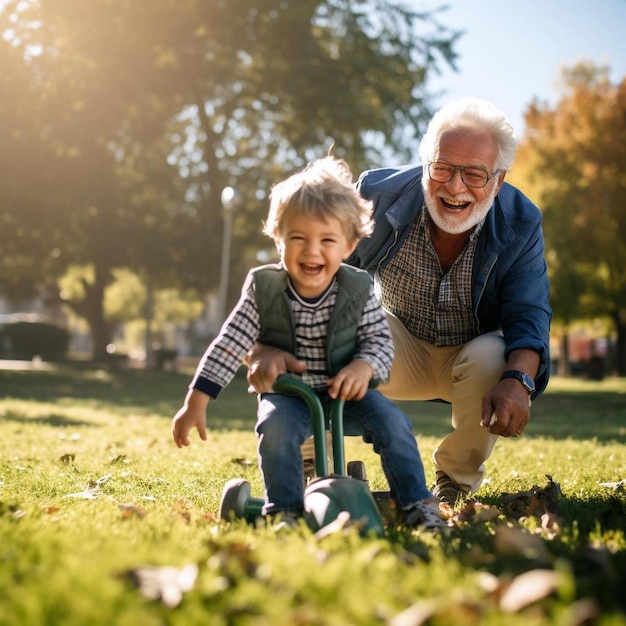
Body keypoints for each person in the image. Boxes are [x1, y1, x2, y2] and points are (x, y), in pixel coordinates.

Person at [246, 98, 552, 506]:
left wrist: (519, 381)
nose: (455, 187)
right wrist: (267, 345)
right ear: (426, 165)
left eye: (474, 175)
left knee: (496, 356)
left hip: (472, 356)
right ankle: (310, 463)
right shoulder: (377, 194)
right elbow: (312, 274)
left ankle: (455, 481)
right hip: (396, 345)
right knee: (326, 323)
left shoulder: (521, 221)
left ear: (498, 181)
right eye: (442, 168)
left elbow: (528, 314)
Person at [171, 156, 444, 530]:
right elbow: (231, 341)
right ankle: (284, 511)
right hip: (290, 395)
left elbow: (380, 342)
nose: (312, 251)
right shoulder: (263, 287)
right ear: (278, 238)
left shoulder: (358, 288)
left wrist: (363, 367)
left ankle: (417, 504)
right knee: (276, 429)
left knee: (394, 424)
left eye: (327, 240)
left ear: (348, 245)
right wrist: (196, 400)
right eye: (298, 238)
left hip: (348, 393)